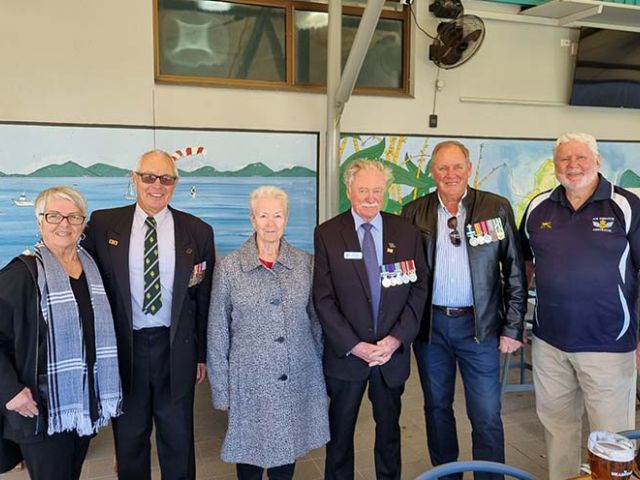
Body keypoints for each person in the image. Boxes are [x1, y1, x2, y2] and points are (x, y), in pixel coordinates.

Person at [82, 150, 215, 480]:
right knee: (129, 439)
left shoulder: (198, 231)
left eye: (167, 179)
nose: (158, 185)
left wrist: (201, 355)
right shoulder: (102, 224)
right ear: (135, 178)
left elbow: (202, 298)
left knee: (179, 440)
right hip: (126, 349)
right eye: (149, 177)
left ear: (176, 183)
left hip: (176, 348)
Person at [401, 140, 527, 477]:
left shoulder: (495, 208)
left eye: (457, 166)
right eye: (442, 167)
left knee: (485, 413)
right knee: (437, 409)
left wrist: (513, 328)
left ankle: (489, 477)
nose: (450, 174)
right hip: (432, 329)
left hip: (480, 328)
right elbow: (404, 272)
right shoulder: (413, 212)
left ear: (469, 169)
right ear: (433, 172)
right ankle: (446, 475)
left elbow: (513, 269)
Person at [519, 132, 640, 480]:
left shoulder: (626, 205)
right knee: (558, 431)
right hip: (550, 344)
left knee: (612, 439)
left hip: (608, 344)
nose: (572, 166)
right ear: (555, 166)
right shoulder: (537, 207)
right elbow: (525, 266)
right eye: (564, 160)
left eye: (580, 158)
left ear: (597, 161)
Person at [314, 159, 427, 480]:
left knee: (390, 435)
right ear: (349, 190)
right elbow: (323, 299)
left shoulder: (406, 233)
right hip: (347, 358)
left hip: (390, 358)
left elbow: (418, 289)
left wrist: (394, 341)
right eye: (363, 189)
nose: (370, 197)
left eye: (377, 190)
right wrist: (355, 345)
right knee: (339, 438)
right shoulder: (328, 234)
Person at [207, 186, 329, 480]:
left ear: (286, 219)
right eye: (263, 215)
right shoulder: (230, 267)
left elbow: (316, 322)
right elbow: (217, 330)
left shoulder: (305, 263)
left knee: (286, 453)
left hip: (296, 375)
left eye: (277, 215)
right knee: (247, 454)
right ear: (252, 219)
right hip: (248, 381)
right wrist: (221, 389)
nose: (270, 223)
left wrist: (318, 373)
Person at [0, 186, 122, 480]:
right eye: (54, 216)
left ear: (83, 223)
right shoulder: (21, 274)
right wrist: (9, 391)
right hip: (41, 408)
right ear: (39, 221)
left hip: (83, 404)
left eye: (73, 217)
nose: (64, 224)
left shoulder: (93, 268)